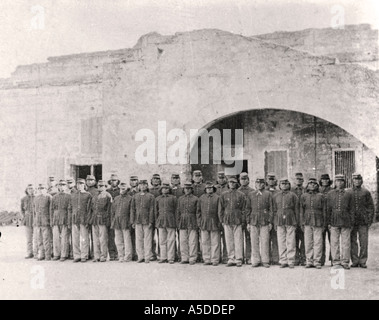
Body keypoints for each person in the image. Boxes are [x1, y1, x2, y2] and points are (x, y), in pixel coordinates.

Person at [326, 174, 354, 269]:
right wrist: (328, 222)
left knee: (346, 242)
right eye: (337, 181)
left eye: (341, 181)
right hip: (334, 220)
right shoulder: (330, 194)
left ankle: (345, 261)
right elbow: (328, 209)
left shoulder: (349, 194)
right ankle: (336, 262)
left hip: (346, 220)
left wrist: (351, 222)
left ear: (344, 183)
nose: (339, 183)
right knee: (334, 242)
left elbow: (352, 209)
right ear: (335, 182)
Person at [246, 178, 273, 268]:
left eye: (261, 183)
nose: (259, 185)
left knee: (265, 241)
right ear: (255, 184)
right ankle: (255, 260)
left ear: (264, 184)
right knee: (254, 241)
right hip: (253, 220)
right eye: (257, 183)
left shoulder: (268, 194)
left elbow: (271, 209)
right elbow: (248, 209)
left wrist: (270, 221)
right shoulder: (251, 194)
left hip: (264, 220)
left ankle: (265, 260)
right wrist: (248, 222)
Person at [219, 176, 246, 267]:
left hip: (237, 219)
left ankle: (238, 259)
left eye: (234, 182)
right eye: (230, 182)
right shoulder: (223, 194)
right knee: (229, 239)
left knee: (238, 239)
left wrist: (242, 220)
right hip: (227, 219)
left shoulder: (241, 194)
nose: (232, 184)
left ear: (236, 183)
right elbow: (221, 209)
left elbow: (244, 208)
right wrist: (222, 220)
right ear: (228, 183)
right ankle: (231, 258)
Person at [349, 173, 374, 268]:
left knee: (363, 241)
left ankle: (363, 261)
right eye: (355, 180)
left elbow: (371, 207)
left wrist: (370, 219)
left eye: (359, 180)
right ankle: (354, 260)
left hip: (363, 221)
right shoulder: (348, 192)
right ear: (352, 181)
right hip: (352, 221)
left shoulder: (366, 192)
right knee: (353, 241)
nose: (357, 181)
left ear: (361, 181)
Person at [300, 178, 326, 269]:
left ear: (317, 186)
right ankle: (309, 261)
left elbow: (324, 210)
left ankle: (317, 261)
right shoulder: (304, 196)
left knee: (318, 242)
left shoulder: (321, 196)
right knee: (308, 242)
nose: (312, 185)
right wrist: (302, 222)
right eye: (310, 184)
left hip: (318, 221)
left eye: (314, 184)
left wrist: (324, 223)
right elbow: (301, 210)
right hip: (307, 221)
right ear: (307, 186)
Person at [273, 178, 299, 268]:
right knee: (281, 240)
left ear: (289, 185)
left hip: (290, 219)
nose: (284, 185)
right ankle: (283, 260)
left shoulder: (293, 196)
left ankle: (291, 260)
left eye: (286, 183)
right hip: (279, 219)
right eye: (282, 184)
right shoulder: (276, 196)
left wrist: (296, 221)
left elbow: (296, 209)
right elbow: (274, 210)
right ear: (279, 185)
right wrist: (275, 222)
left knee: (291, 241)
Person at [197, 181, 221, 266]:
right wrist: (199, 222)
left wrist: (219, 222)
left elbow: (219, 211)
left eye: (211, 188)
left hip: (214, 221)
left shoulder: (217, 198)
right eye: (207, 188)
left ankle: (215, 259)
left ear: (213, 189)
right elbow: (198, 212)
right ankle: (206, 259)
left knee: (215, 241)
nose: (209, 189)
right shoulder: (201, 198)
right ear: (205, 189)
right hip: (204, 222)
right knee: (205, 241)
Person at [131, 179, 155, 263]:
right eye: (141, 185)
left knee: (147, 239)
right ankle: (140, 256)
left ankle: (147, 256)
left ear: (147, 186)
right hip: (137, 220)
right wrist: (132, 221)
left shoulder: (151, 196)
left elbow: (152, 209)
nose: (142, 186)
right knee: (138, 239)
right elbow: (132, 209)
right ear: (138, 186)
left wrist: (151, 221)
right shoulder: (135, 196)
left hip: (147, 220)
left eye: (144, 185)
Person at [70, 178, 92, 262]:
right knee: (75, 238)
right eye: (78, 184)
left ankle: (84, 255)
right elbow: (70, 208)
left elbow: (89, 209)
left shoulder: (88, 195)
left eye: (82, 184)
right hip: (75, 218)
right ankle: (77, 255)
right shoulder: (73, 195)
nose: (80, 186)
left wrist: (88, 219)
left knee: (84, 237)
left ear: (84, 185)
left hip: (84, 218)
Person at [155, 182, 178, 264]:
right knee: (162, 240)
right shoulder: (157, 199)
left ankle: (171, 257)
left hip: (171, 220)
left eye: (167, 188)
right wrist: (156, 221)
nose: (165, 190)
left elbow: (176, 210)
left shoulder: (173, 198)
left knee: (171, 239)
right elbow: (156, 211)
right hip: (161, 221)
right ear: (161, 190)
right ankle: (163, 257)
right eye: (163, 188)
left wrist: (176, 221)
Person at [177, 182, 198, 265]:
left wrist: (197, 222)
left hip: (192, 220)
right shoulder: (180, 199)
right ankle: (184, 257)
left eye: (189, 188)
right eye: (186, 188)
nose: (187, 190)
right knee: (183, 240)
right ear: (183, 190)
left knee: (192, 240)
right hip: (183, 220)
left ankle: (192, 258)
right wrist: (178, 222)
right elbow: (178, 211)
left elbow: (197, 212)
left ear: (192, 190)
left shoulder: (196, 199)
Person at [111, 182, 133, 262]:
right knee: (118, 240)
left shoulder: (130, 198)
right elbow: (113, 211)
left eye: (123, 189)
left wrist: (131, 221)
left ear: (127, 189)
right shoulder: (116, 198)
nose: (122, 190)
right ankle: (121, 255)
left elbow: (131, 211)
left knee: (127, 240)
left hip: (126, 221)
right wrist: (113, 220)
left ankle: (128, 256)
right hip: (117, 221)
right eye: (120, 188)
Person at [91, 180, 112, 262]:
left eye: (102, 186)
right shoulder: (95, 196)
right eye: (99, 186)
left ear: (105, 187)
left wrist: (107, 220)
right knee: (95, 239)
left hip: (103, 219)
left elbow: (109, 210)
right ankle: (97, 256)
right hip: (95, 219)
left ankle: (104, 256)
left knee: (103, 239)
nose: (100, 187)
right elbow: (92, 208)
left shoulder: (108, 196)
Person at [50, 180, 71, 261]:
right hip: (56, 219)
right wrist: (51, 220)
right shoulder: (54, 197)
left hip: (64, 218)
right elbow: (51, 209)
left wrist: (69, 221)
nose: (62, 186)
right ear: (57, 186)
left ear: (66, 186)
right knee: (56, 238)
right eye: (60, 185)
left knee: (64, 238)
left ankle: (64, 254)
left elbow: (69, 209)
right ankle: (56, 254)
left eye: (63, 185)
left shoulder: (69, 196)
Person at [238, 172, 254, 264]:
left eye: (245, 179)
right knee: (239, 239)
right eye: (242, 179)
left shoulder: (252, 191)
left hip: (248, 218)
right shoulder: (237, 191)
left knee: (249, 238)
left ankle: (248, 257)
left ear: (248, 180)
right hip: (239, 218)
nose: (244, 181)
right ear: (239, 180)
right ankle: (240, 257)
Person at [34, 184, 53, 261]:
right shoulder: (36, 198)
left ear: (46, 189)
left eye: (42, 188)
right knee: (39, 239)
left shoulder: (49, 197)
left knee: (46, 239)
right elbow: (35, 211)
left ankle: (48, 255)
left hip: (46, 221)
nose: (41, 190)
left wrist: (50, 220)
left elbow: (51, 210)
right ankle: (41, 254)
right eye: (39, 188)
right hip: (38, 222)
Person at [21, 184, 39, 259]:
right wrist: (24, 217)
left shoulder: (37, 198)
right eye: (29, 189)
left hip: (35, 218)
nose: (31, 190)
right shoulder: (23, 199)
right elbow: (22, 210)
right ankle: (29, 252)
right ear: (27, 190)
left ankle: (36, 253)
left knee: (36, 237)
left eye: (32, 188)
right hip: (27, 219)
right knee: (29, 238)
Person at [292, 173, 306, 266]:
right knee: (294, 239)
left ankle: (303, 258)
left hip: (304, 216)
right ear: (294, 180)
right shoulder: (291, 190)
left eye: (300, 179)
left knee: (304, 239)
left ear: (303, 180)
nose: (299, 181)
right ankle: (296, 257)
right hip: (293, 216)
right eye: (297, 179)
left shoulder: (306, 190)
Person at [319, 173, 333, 266]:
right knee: (320, 240)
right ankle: (321, 259)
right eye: (323, 179)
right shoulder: (318, 190)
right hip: (320, 218)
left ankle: (333, 259)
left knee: (332, 239)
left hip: (331, 217)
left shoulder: (332, 191)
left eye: (326, 179)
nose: (325, 181)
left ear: (329, 181)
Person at [266, 172, 280, 265]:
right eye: (269, 179)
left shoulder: (278, 192)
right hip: (265, 217)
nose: (271, 181)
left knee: (275, 239)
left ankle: (275, 258)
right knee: (266, 239)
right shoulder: (263, 191)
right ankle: (267, 258)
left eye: (273, 179)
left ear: (276, 181)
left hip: (276, 217)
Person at [106, 174, 121, 261]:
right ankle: (112, 254)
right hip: (110, 216)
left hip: (118, 215)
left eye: (115, 180)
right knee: (110, 236)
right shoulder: (107, 191)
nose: (113, 182)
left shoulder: (120, 191)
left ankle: (119, 253)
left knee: (119, 236)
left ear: (117, 182)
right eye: (112, 180)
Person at [127, 175, 139, 261]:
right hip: (128, 217)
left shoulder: (140, 191)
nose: (133, 182)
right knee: (130, 237)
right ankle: (131, 254)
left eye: (135, 180)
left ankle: (138, 254)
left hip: (138, 217)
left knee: (139, 237)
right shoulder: (127, 192)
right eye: (132, 180)